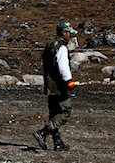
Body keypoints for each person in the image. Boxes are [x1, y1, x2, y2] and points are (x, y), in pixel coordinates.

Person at [33, 21, 77, 151]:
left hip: (49, 85)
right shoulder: (61, 48)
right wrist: (69, 81)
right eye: (69, 33)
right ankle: (43, 132)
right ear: (64, 33)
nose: (70, 36)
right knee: (65, 111)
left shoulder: (49, 46)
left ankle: (57, 142)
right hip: (59, 85)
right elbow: (63, 66)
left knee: (54, 113)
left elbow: (43, 66)